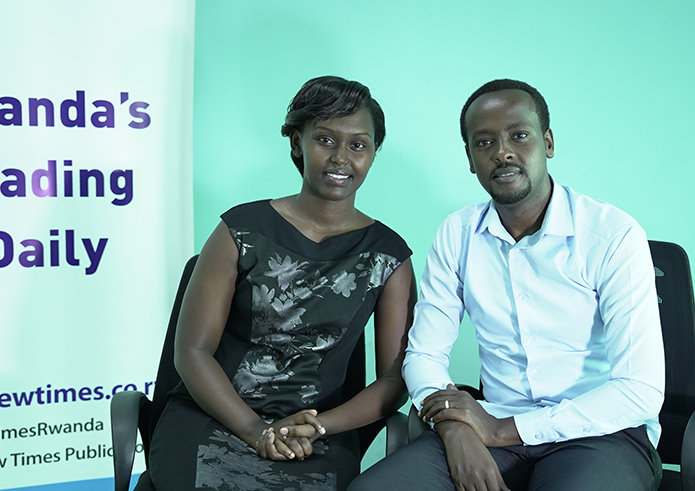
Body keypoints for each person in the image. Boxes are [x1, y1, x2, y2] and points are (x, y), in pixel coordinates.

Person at [350, 79, 664, 491]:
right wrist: (455, 427)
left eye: (519, 135)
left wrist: (502, 430)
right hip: (490, 421)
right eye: (484, 143)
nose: (502, 152)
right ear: (470, 158)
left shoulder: (611, 235)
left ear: (547, 143)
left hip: (599, 433)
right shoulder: (458, 233)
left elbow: (639, 390)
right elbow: (424, 354)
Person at [147, 76, 416, 491]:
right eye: (325, 140)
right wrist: (255, 430)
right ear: (297, 143)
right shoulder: (240, 229)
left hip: (315, 434)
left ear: (374, 152)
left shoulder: (389, 255)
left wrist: (318, 427)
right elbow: (192, 351)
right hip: (214, 416)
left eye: (358, 145)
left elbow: (394, 381)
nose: (341, 157)